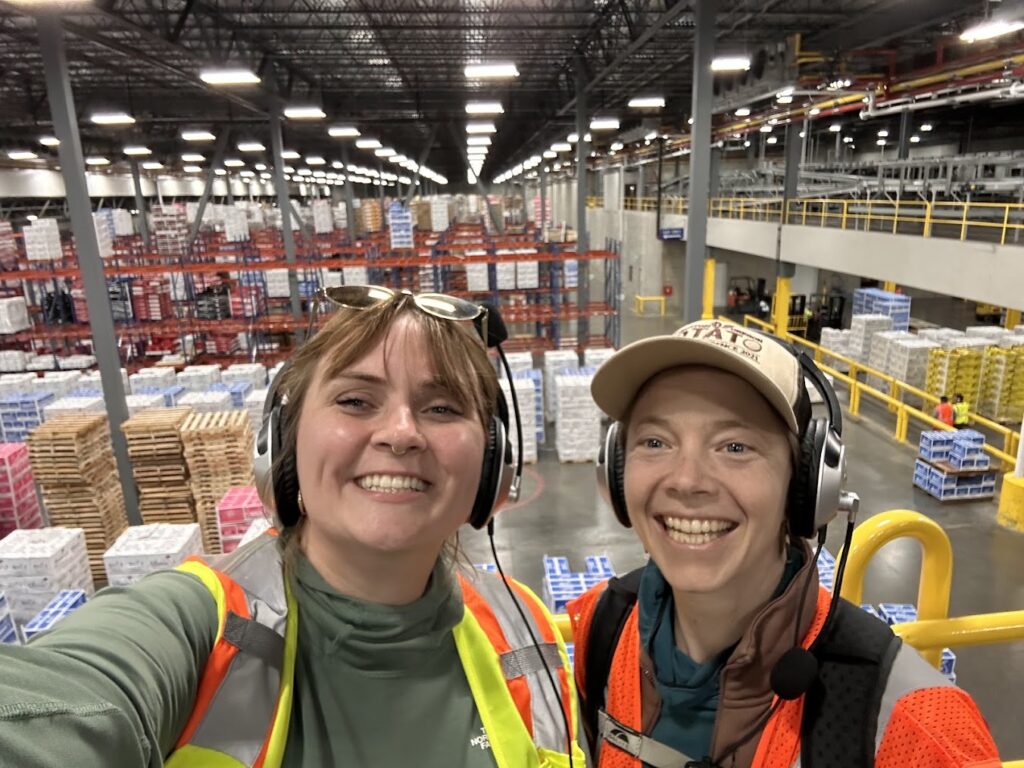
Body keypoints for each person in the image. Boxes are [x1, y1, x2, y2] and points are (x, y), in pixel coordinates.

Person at [0, 285, 585, 768]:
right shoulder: (196, 626)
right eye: (356, 401)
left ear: (491, 461)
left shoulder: (526, 628)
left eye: (442, 408)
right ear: (283, 443)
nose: (401, 432)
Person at [568, 319, 1000, 768]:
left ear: (807, 486)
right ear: (616, 471)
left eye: (735, 447)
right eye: (655, 441)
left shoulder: (917, 728)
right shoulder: (602, 631)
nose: (686, 480)